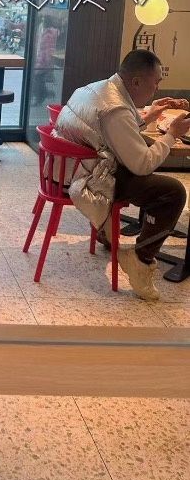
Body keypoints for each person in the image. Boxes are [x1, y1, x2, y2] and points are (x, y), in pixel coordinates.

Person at [54, 49, 189, 301]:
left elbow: (114, 130)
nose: (157, 89)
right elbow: (142, 165)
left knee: (143, 164)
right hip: (86, 180)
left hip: (67, 168)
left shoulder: (99, 88)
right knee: (172, 191)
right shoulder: (116, 110)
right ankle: (140, 259)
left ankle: (107, 233)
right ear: (136, 82)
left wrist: (150, 115)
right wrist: (172, 134)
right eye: (156, 82)